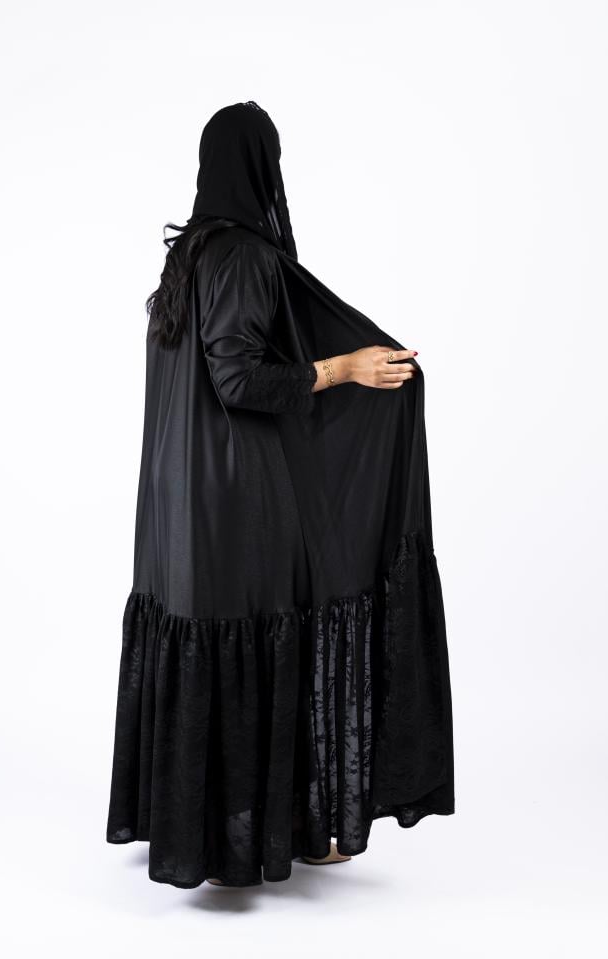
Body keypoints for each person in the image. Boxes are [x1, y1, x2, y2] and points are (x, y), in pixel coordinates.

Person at [106, 100, 454, 889]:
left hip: (178, 502)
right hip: (236, 500)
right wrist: (345, 369)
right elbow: (236, 378)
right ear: (261, 168)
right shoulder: (244, 256)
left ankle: (219, 835)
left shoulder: (188, 258)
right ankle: (261, 840)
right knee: (261, 640)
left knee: (218, 650)